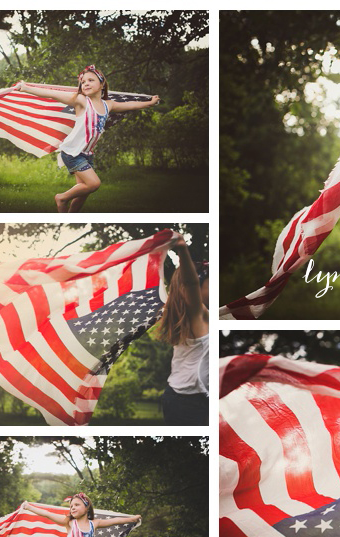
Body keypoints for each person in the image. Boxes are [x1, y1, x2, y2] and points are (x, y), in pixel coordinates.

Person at [17, 65, 160, 213]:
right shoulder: (81, 101)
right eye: (83, 82)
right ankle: (62, 198)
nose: (85, 83)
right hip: (72, 152)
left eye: (91, 80)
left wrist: (149, 103)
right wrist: (26, 87)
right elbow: (52, 94)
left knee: (83, 193)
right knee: (93, 184)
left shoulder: (108, 105)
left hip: (87, 154)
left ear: (102, 84)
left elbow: (129, 105)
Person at [157, 234, 209, 425]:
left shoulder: (204, 315)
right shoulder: (198, 315)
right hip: (186, 403)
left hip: (193, 399)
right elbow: (191, 282)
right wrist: (182, 250)